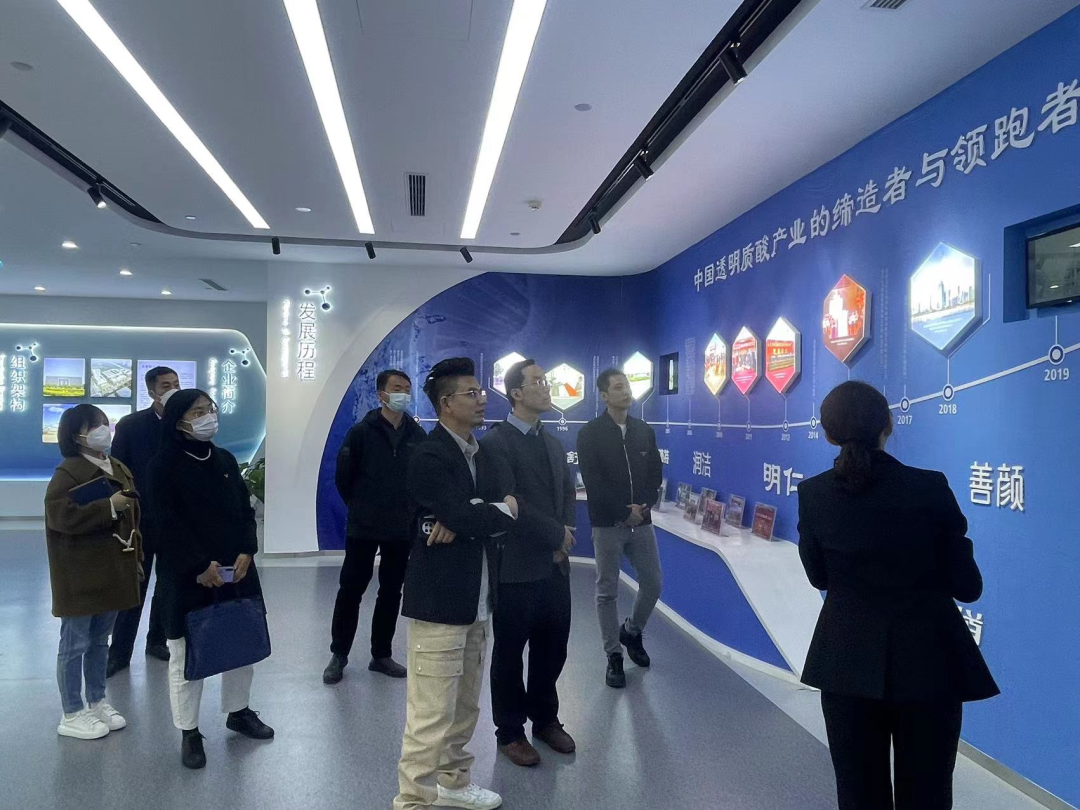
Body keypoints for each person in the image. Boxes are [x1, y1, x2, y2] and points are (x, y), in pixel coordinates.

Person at [797, 381, 999, 810]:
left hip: (846, 664)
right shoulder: (930, 488)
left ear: (829, 434)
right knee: (928, 796)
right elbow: (969, 586)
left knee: (859, 795)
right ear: (887, 424)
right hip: (930, 666)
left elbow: (819, 577)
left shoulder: (813, 495)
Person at [393, 358, 519, 810]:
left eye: (480, 391)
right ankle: (413, 801)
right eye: (472, 393)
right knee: (430, 715)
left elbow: (504, 500)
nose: (482, 399)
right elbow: (470, 514)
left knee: (465, 707)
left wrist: (474, 514)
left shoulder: (482, 453)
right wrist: (481, 513)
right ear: (447, 403)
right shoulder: (428, 455)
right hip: (440, 603)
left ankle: (454, 782)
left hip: (479, 600)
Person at [147, 389, 274, 770]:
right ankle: (189, 731)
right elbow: (164, 523)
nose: (207, 417)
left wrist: (247, 549)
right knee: (186, 653)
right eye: (197, 412)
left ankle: (239, 711)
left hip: (236, 570)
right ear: (179, 421)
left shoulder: (224, 459)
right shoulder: (163, 464)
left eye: (209, 409)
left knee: (241, 640)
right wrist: (199, 566)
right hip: (188, 575)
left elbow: (244, 510)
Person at [480, 359, 576, 766]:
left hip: (555, 565)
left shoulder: (552, 443)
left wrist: (565, 535)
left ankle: (545, 719)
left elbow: (566, 494)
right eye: (537, 381)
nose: (546, 386)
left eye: (545, 380)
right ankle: (510, 731)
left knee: (553, 648)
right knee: (509, 653)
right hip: (516, 566)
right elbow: (511, 503)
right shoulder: (496, 443)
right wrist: (555, 536)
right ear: (516, 393)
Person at [45, 404, 142, 740]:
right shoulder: (68, 473)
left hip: (114, 569)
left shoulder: (118, 466)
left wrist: (137, 559)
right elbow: (60, 517)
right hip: (80, 573)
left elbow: (134, 520)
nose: (103, 430)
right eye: (94, 425)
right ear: (76, 435)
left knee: (101, 641)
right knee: (75, 643)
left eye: (104, 422)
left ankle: (97, 700)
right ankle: (72, 711)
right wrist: (107, 507)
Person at [325, 369, 426, 684]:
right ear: (381, 394)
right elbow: (344, 477)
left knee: (391, 592)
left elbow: (423, 480)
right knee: (351, 590)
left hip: (401, 528)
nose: (403, 394)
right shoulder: (361, 432)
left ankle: (381, 655)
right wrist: (361, 506)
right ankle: (339, 654)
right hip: (363, 527)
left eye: (407, 389)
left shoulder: (417, 435)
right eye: (397, 388)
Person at [577, 368, 664, 689]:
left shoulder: (644, 431)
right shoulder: (590, 434)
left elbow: (655, 473)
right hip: (607, 524)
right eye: (617, 387)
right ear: (604, 395)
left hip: (642, 522)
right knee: (607, 591)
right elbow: (593, 481)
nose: (625, 391)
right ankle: (613, 655)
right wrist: (622, 512)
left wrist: (643, 507)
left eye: (626, 386)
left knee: (653, 583)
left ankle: (631, 631)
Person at [107, 365, 181, 676]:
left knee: (167, 586)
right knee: (134, 587)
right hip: (139, 519)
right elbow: (117, 470)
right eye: (166, 385)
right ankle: (119, 653)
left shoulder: (184, 424)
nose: (172, 389)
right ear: (151, 391)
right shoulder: (131, 425)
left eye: (176, 383)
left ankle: (157, 641)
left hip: (175, 521)